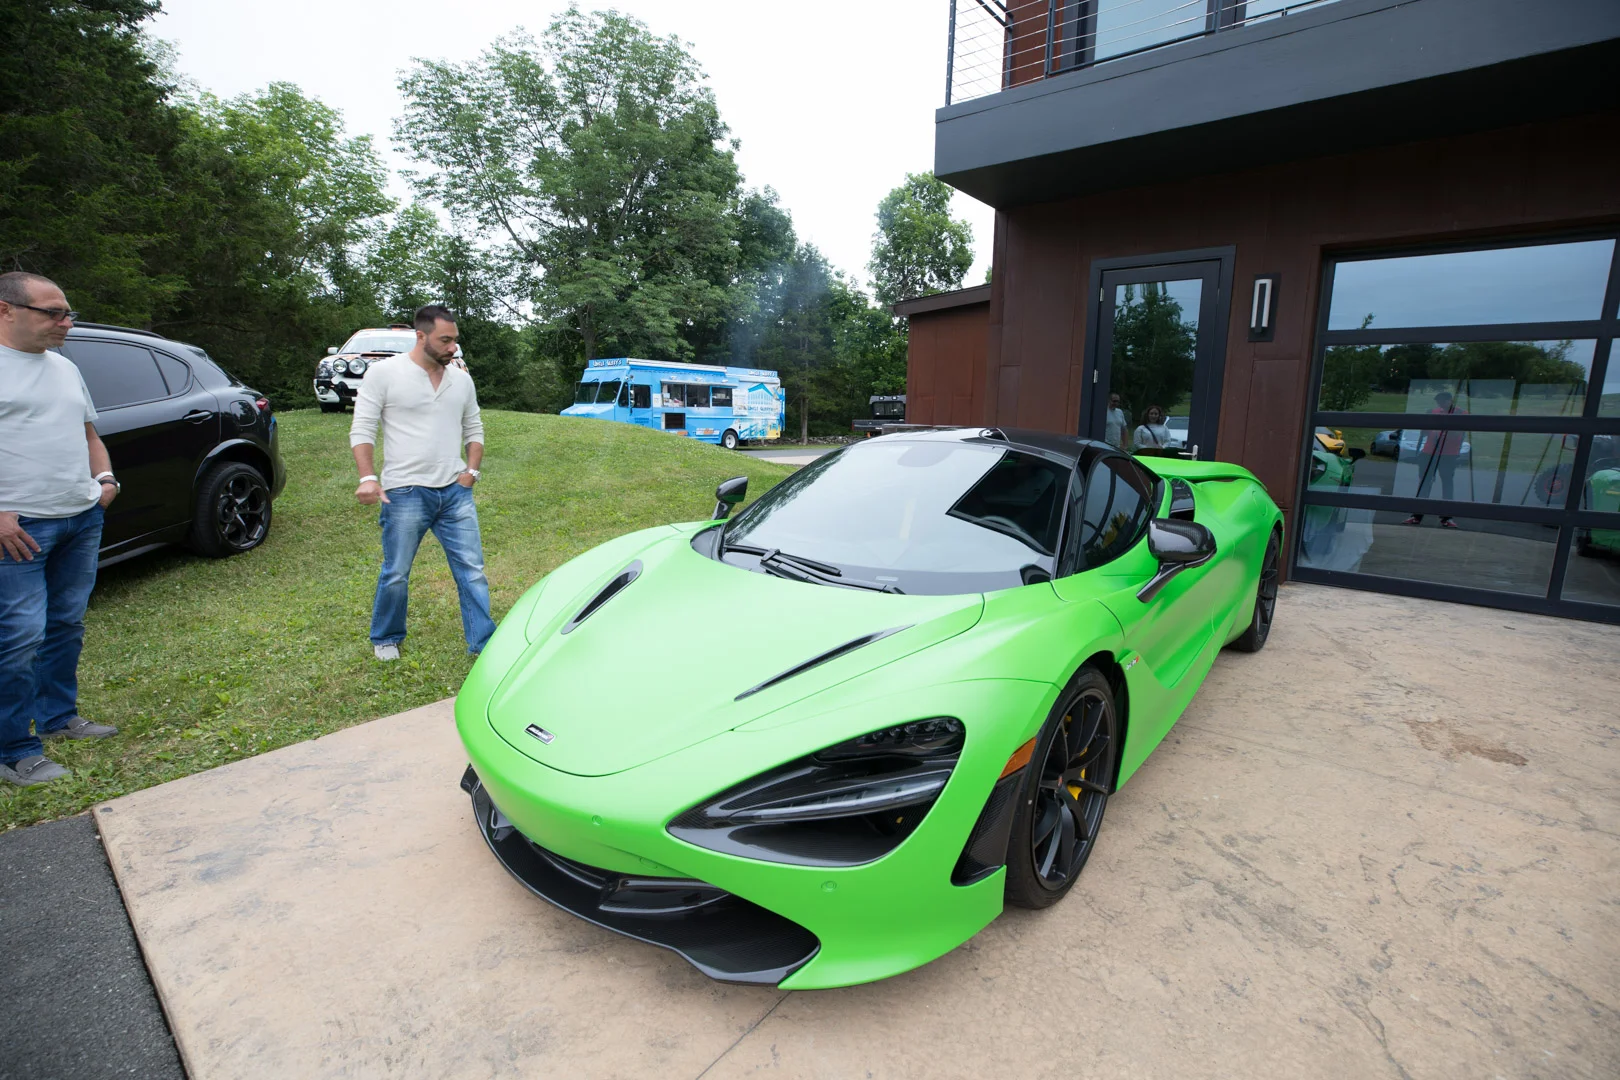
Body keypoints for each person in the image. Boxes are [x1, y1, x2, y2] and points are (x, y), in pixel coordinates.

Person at [0, 272, 120, 787]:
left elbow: (88, 432)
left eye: (67, 312)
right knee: (19, 637)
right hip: (19, 527)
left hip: (80, 516)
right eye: (52, 313)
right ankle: (13, 750)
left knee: (65, 623)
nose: (65, 323)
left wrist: (105, 479)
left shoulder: (65, 367)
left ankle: (57, 717)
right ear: (6, 309)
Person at [350, 304, 494, 660]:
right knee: (396, 572)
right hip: (405, 492)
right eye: (445, 340)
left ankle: (483, 643)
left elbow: (474, 429)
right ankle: (386, 637)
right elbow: (362, 428)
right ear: (420, 336)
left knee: (472, 571)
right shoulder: (385, 374)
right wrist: (368, 477)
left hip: (455, 493)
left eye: (454, 340)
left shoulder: (461, 380)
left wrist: (471, 473)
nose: (452, 348)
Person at [1403, 390, 1465, 528]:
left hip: (1449, 454)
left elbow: (1459, 434)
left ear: (1450, 401)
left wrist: (1443, 429)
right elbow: (1424, 432)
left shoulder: (1461, 413)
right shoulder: (1432, 411)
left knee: (1447, 484)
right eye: (1438, 402)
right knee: (1424, 483)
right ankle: (1416, 515)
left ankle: (1446, 517)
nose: (1440, 404)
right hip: (1429, 452)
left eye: (1443, 401)